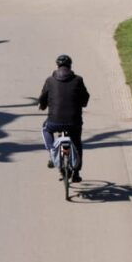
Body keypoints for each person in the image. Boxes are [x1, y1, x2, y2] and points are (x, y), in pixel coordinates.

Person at [38, 54, 90, 183]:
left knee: (46, 129)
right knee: (77, 141)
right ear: (70, 66)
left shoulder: (50, 80)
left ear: (57, 66)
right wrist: (82, 103)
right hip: (74, 121)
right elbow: (85, 97)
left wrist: (43, 106)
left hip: (54, 121)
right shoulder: (78, 80)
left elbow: (42, 98)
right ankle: (77, 173)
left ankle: (52, 151)